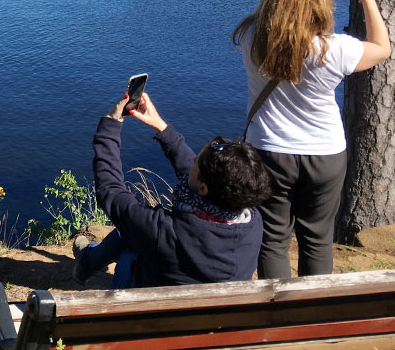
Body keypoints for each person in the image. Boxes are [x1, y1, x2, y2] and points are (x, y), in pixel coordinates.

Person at [233, 0, 391, 279]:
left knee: (273, 240)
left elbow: (265, 17)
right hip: (325, 155)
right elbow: (381, 47)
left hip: (269, 151)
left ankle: (277, 315)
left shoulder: (251, 36)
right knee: (318, 239)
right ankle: (312, 315)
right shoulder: (335, 49)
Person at [72, 92, 272, 288]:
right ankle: (87, 260)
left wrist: (110, 125)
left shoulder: (165, 232)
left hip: (146, 313)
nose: (191, 164)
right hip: (205, 314)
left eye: (196, 163)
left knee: (127, 250)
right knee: (131, 233)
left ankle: (86, 262)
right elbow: (195, 177)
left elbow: (111, 191)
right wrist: (160, 126)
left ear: (203, 188)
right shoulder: (252, 224)